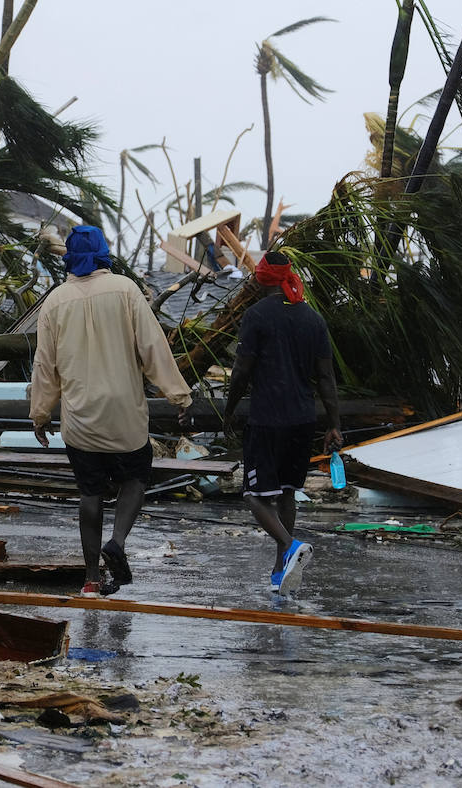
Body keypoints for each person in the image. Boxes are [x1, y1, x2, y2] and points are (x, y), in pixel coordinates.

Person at [30, 225, 193, 598]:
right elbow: (153, 348)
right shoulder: (126, 289)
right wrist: (178, 396)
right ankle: (117, 542)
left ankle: (90, 578)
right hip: (125, 414)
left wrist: (40, 414)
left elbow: (45, 365)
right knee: (135, 479)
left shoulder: (55, 301)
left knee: (90, 493)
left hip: (80, 416)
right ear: (104, 252)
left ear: (69, 256)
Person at [223, 250, 342, 597]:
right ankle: (280, 572)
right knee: (287, 491)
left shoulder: (256, 316)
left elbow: (242, 370)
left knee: (255, 496)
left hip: (267, 420)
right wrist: (334, 424)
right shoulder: (313, 319)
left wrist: (229, 411)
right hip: (303, 420)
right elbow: (326, 377)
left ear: (260, 279)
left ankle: (290, 547)